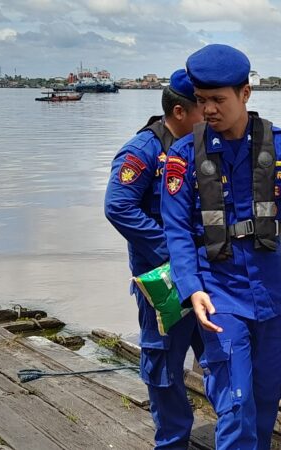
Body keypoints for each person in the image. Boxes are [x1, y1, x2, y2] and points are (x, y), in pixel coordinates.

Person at [161, 44, 281, 450]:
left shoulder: (280, 146)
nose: (208, 109)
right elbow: (177, 230)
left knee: (267, 395)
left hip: (268, 296)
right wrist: (191, 286)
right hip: (217, 297)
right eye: (201, 101)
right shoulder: (182, 158)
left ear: (245, 94)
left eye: (218, 100)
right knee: (234, 399)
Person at [104, 68, 205, 450]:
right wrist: (171, 248)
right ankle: (174, 441)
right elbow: (118, 206)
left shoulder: (203, 145)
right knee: (163, 367)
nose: (209, 115)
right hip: (162, 279)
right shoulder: (143, 150)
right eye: (202, 107)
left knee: (221, 356)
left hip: (206, 273)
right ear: (180, 112)